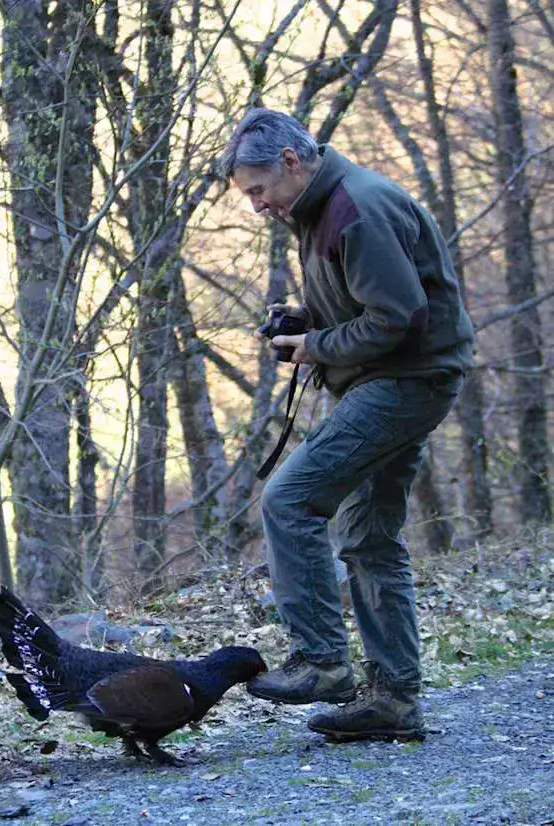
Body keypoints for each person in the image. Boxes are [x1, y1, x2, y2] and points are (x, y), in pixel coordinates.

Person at [221, 108, 474, 742]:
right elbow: (373, 300)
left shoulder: (354, 208)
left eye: (258, 190)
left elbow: (397, 319)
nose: (256, 205)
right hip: (397, 378)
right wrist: (307, 319)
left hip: (404, 381)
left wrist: (317, 345)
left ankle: (323, 664)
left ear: (290, 162)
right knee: (367, 537)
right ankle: (394, 701)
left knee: (290, 498)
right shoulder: (322, 207)